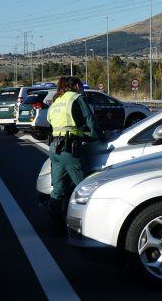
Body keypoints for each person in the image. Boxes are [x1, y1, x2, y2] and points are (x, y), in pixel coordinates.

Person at [46, 76, 106, 230]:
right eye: (81, 86)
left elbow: (54, 123)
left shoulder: (56, 100)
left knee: (58, 189)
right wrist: (102, 138)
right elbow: (90, 121)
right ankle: (89, 226)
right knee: (83, 186)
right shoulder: (76, 98)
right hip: (69, 149)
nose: (82, 89)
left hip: (54, 147)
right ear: (76, 86)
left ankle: (55, 225)